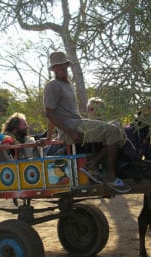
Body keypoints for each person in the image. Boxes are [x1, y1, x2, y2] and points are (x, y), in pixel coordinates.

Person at [43, 51, 129, 192]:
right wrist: (69, 132)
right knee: (112, 131)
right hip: (72, 128)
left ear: (66, 65)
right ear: (52, 69)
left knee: (117, 127)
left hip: (75, 124)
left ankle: (93, 164)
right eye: (55, 66)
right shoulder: (53, 85)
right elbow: (49, 113)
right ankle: (110, 175)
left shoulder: (68, 85)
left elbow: (54, 114)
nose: (59, 68)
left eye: (61, 65)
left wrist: (48, 137)